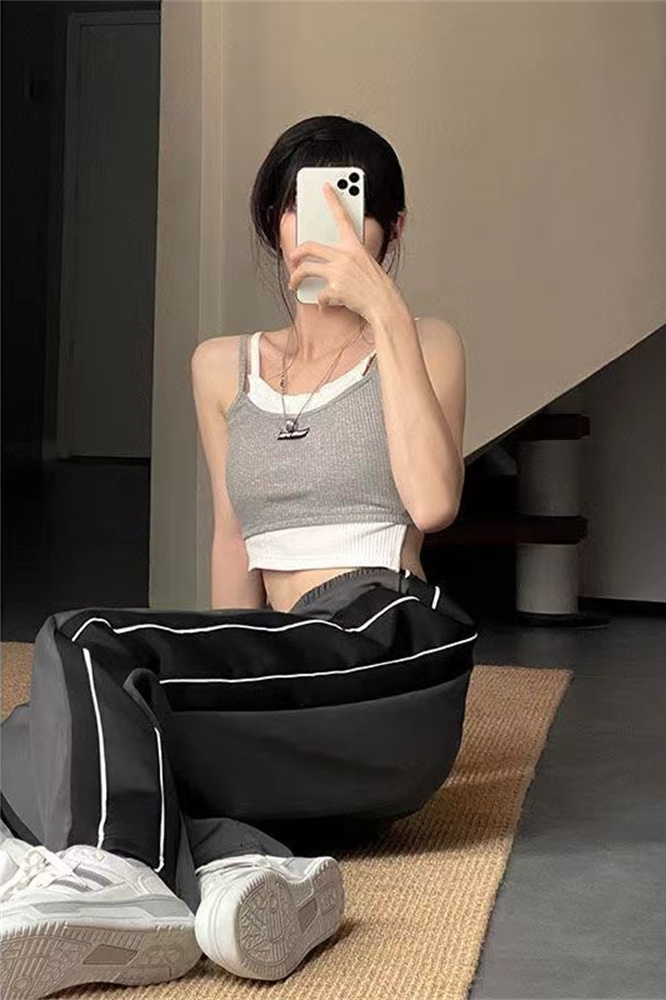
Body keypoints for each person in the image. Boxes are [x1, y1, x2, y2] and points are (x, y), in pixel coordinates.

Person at [0, 114, 478, 1000]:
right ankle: (245, 868)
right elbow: (234, 539)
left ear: (391, 227)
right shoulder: (223, 367)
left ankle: (120, 878)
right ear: (273, 222)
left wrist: (382, 306)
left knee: (85, 640)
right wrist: (211, 675)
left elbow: (434, 503)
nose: (320, 227)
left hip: (387, 649)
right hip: (290, 688)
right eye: (300, 205)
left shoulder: (422, 341)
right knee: (37, 732)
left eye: (349, 202)